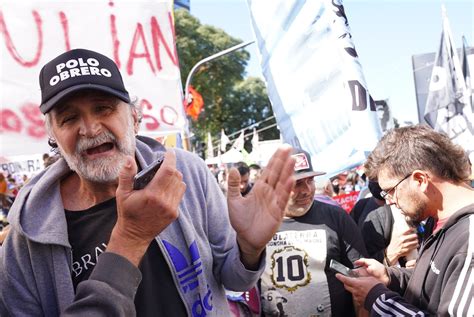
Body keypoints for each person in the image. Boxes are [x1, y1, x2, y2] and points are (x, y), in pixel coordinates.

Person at [0, 48, 297, 316]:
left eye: (103, 108)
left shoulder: (186, 173)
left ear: (134, 116)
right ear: (53, 135)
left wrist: (249, 247)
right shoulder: (26, 236)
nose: (89, 128)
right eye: (68, 118)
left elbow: (233, 278)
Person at [337, 125, 474, 316]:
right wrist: (390, 277)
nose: (389, 200)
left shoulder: (469, 240)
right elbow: (436, 284)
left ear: (420, 179)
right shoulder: (437, 220)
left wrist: (377, 298)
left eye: (391, 191)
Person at [259, 148, 368, 316]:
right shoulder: (256, 224)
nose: (307, 190)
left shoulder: (335, 217)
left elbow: (359, 278)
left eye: (310, 180)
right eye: (297, 183)